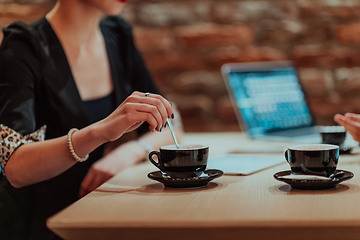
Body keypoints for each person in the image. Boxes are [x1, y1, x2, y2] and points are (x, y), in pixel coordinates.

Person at [0, 0, 183, 239]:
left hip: (93, 214)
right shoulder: (24, 46)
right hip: (35, 223)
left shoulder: (117, 36)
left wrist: (130, 151)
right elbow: (14, 166)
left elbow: (171, 122)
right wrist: (100, 132)